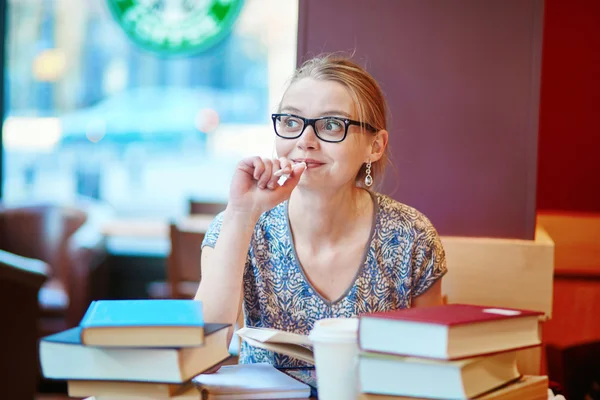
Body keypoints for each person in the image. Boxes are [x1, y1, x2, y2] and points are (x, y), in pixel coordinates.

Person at [195, 54, 447, 367]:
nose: (305, 140)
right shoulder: (237, 225)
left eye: (331, 125)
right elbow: (201, 348)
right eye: (291, 122)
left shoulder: (411, 236)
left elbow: (429, 363)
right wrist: (241, 216)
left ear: (376, 146)